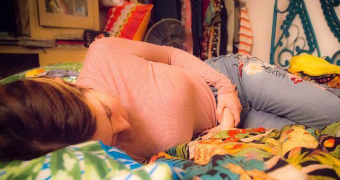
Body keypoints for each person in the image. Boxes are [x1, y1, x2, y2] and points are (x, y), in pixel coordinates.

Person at [1, 37, 340, 162]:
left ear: (76, 89)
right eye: (115, 135)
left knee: (334, 110)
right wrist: (219, 133)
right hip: (232, 125)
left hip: (230, 79)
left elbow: (171, 54)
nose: (125, 125)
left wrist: (226, 89)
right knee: (323, 141)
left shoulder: (104, 54)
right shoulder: (106, 155)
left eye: (108, 111)